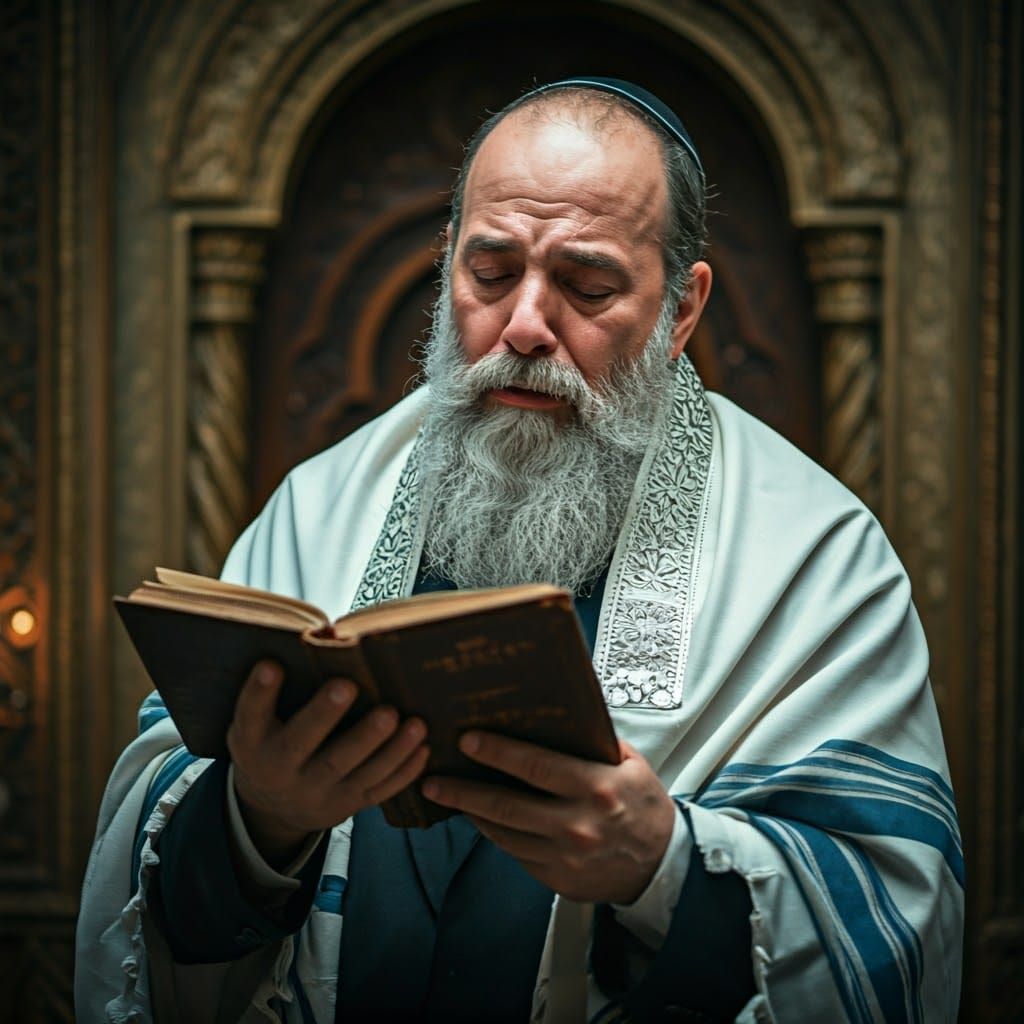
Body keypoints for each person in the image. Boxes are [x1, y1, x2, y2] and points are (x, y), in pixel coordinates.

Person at [76, 78, 963, 1023]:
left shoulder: (813, 557)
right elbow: (158, 875)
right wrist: (262, 817)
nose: (526, 326)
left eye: (588, 286)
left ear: (682, 310)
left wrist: (659, 869)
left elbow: (886, 921)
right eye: (491, 272)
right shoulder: (323, 507)